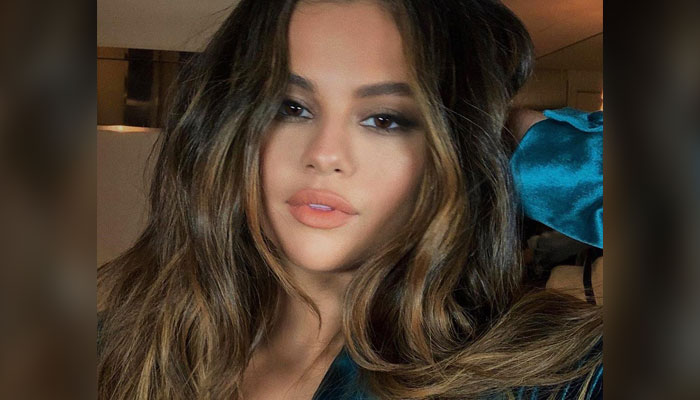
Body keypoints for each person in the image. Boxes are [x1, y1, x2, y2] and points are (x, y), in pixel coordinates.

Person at [97, 1, 603, 399]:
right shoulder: (114, 341)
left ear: (450, 149)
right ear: (229, 126)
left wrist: (534, 148)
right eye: (290, 107)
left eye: (384, 119)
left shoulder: (546, 378)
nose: (325, 155)